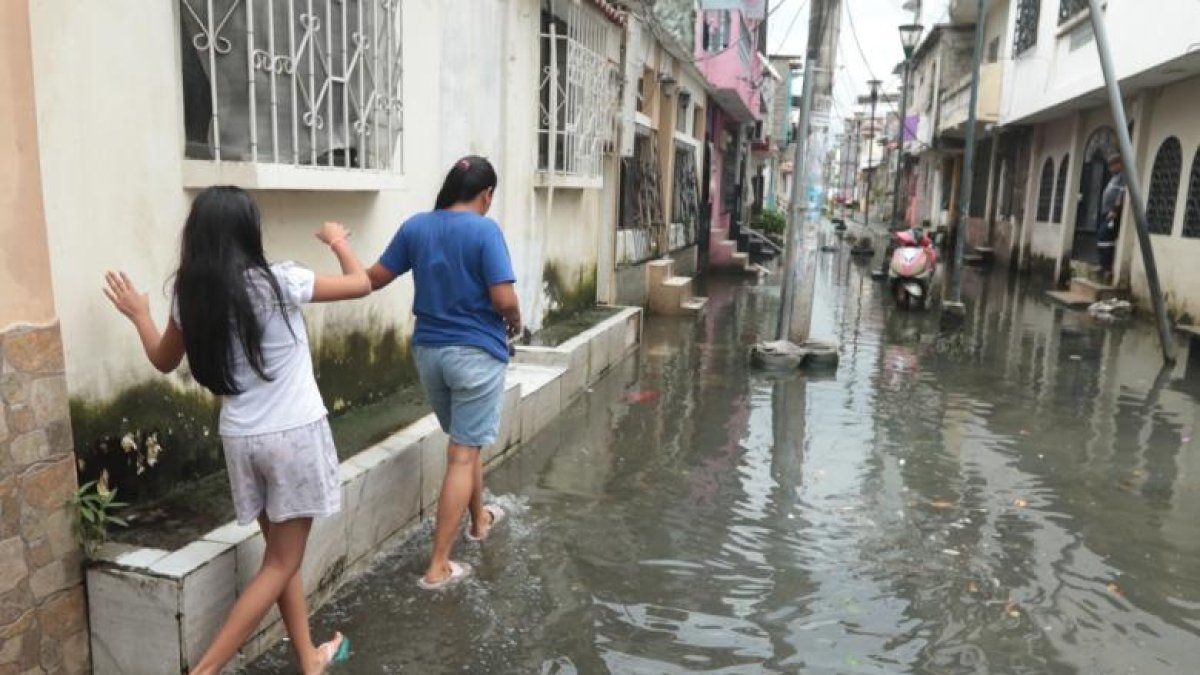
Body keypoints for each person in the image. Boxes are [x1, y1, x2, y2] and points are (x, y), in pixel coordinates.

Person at [103, 186, 368, 674]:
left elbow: (164, 361)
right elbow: (362, 284)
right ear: (249, 232)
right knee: (281, 562)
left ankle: (309, 659)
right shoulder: (278, 281)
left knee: (279, 559)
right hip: (292, 436)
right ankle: (204, 672)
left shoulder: (189, 295)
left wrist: (140, 314)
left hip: (242, 440)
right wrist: (336, 241)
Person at [366, 156, 521, 590]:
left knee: (465, 446)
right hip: (475, 353)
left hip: (429, 353)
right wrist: (517, 321)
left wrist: (341, 247)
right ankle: (437, 567)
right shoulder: (485, 230)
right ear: (486, 194)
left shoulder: (416, 226)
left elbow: (373, 278)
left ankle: (479, 520)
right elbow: (503, 298)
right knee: (461, 454)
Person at [1098, 153, 1126, 280]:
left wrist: (1115, 209)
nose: (1110, 169)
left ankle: (1107, 268)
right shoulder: (1114, 178)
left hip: (1112, 213)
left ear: (1119, 164)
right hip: (1105, 212)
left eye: (1112, 166)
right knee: (1101, 237)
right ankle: (1102, 265)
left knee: (1106, 236)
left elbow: (1121, 194)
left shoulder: (1122, 177)